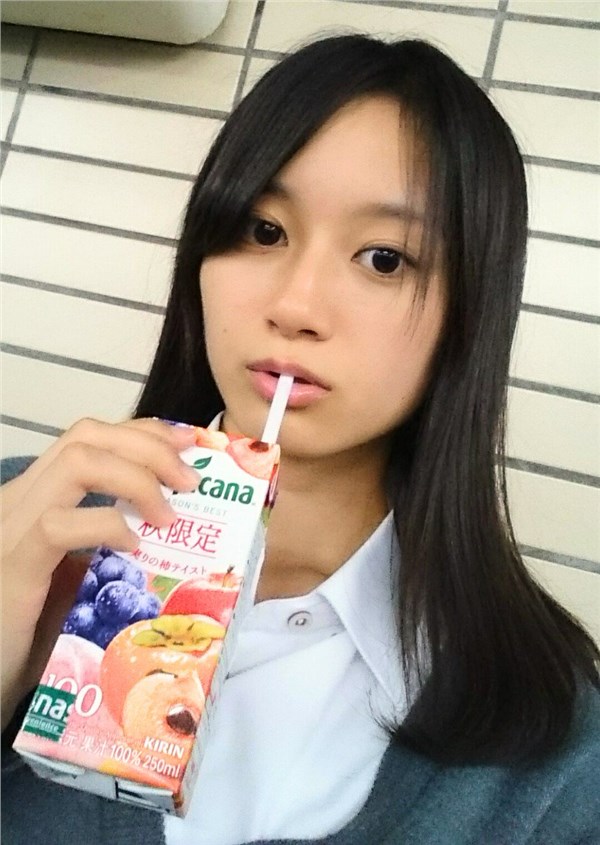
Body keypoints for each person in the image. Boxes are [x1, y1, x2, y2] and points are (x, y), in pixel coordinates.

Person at [1, 34, 599, 845]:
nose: (296, 304)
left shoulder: (556, 750)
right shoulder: (24, 523)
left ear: (470, 314)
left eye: (383, 258)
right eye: (262, 229)